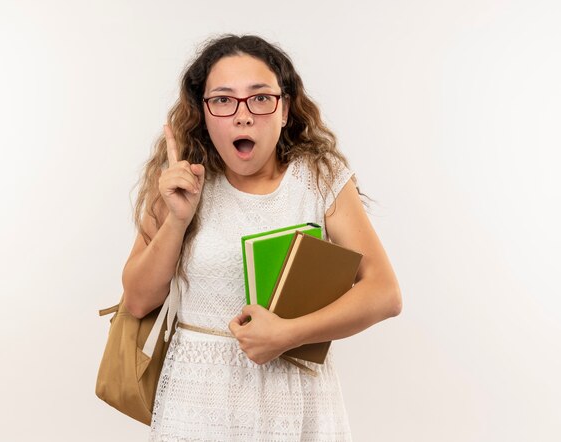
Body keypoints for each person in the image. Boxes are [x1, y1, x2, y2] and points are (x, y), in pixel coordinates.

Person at [122, 34, 402, 441]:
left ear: (285, 109)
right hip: (200, 400)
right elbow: (138, 300)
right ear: (202, 113)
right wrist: (176, 220)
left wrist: (288, 334)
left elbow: (384, 292)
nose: (243, 115)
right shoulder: (180, 181)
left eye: (260, 97)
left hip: (299, 401)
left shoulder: (320, 179)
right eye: (222, 99)